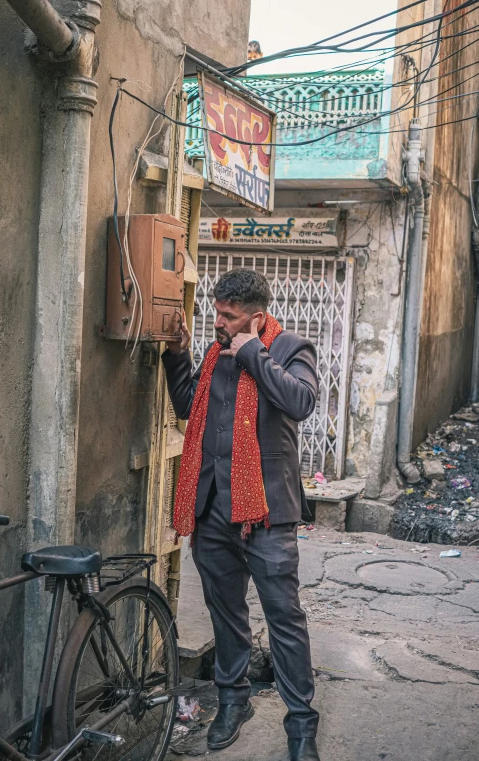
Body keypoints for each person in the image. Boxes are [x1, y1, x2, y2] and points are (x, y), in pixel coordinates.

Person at [162, 268, 320, 761]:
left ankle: (301, 727)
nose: (219, 322)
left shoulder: (292, 348)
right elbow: (191, 405)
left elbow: (300, 402)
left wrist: (252, 352)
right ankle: (233, 701)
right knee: (225, 614)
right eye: (217, 312)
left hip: (268, 514)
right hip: (213, 511)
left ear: (255, 317)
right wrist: (176, 355)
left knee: (284, 620)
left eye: (228, 316)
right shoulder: (213, 352)